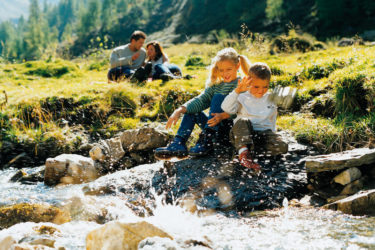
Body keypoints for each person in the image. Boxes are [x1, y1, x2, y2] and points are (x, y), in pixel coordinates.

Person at [155, 47, 251, 159]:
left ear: (237, 66)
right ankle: (178, 143)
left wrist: (224, 115)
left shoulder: (242, 84)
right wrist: (179, 110)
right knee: (192, 112)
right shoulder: (216, 85)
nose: (225, 74)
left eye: (228, 69)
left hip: (230, 128)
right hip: (214, 126)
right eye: (221, 70)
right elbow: (201, 100)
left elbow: (244, 110)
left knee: (218, 98)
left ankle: (208, 139)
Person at [221, 62, 288, 172]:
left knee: (283, 147)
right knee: (243, 121)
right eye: (256, 86)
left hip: (262, 136)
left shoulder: (272, 98)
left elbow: (272, 119)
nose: (261, 90)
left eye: (265, 86)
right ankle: (243, 152)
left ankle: (247, 152)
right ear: (249, 81)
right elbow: (226, 108)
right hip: (242, 133)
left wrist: (273, 135)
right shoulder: (242, 96)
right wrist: (237, 91)